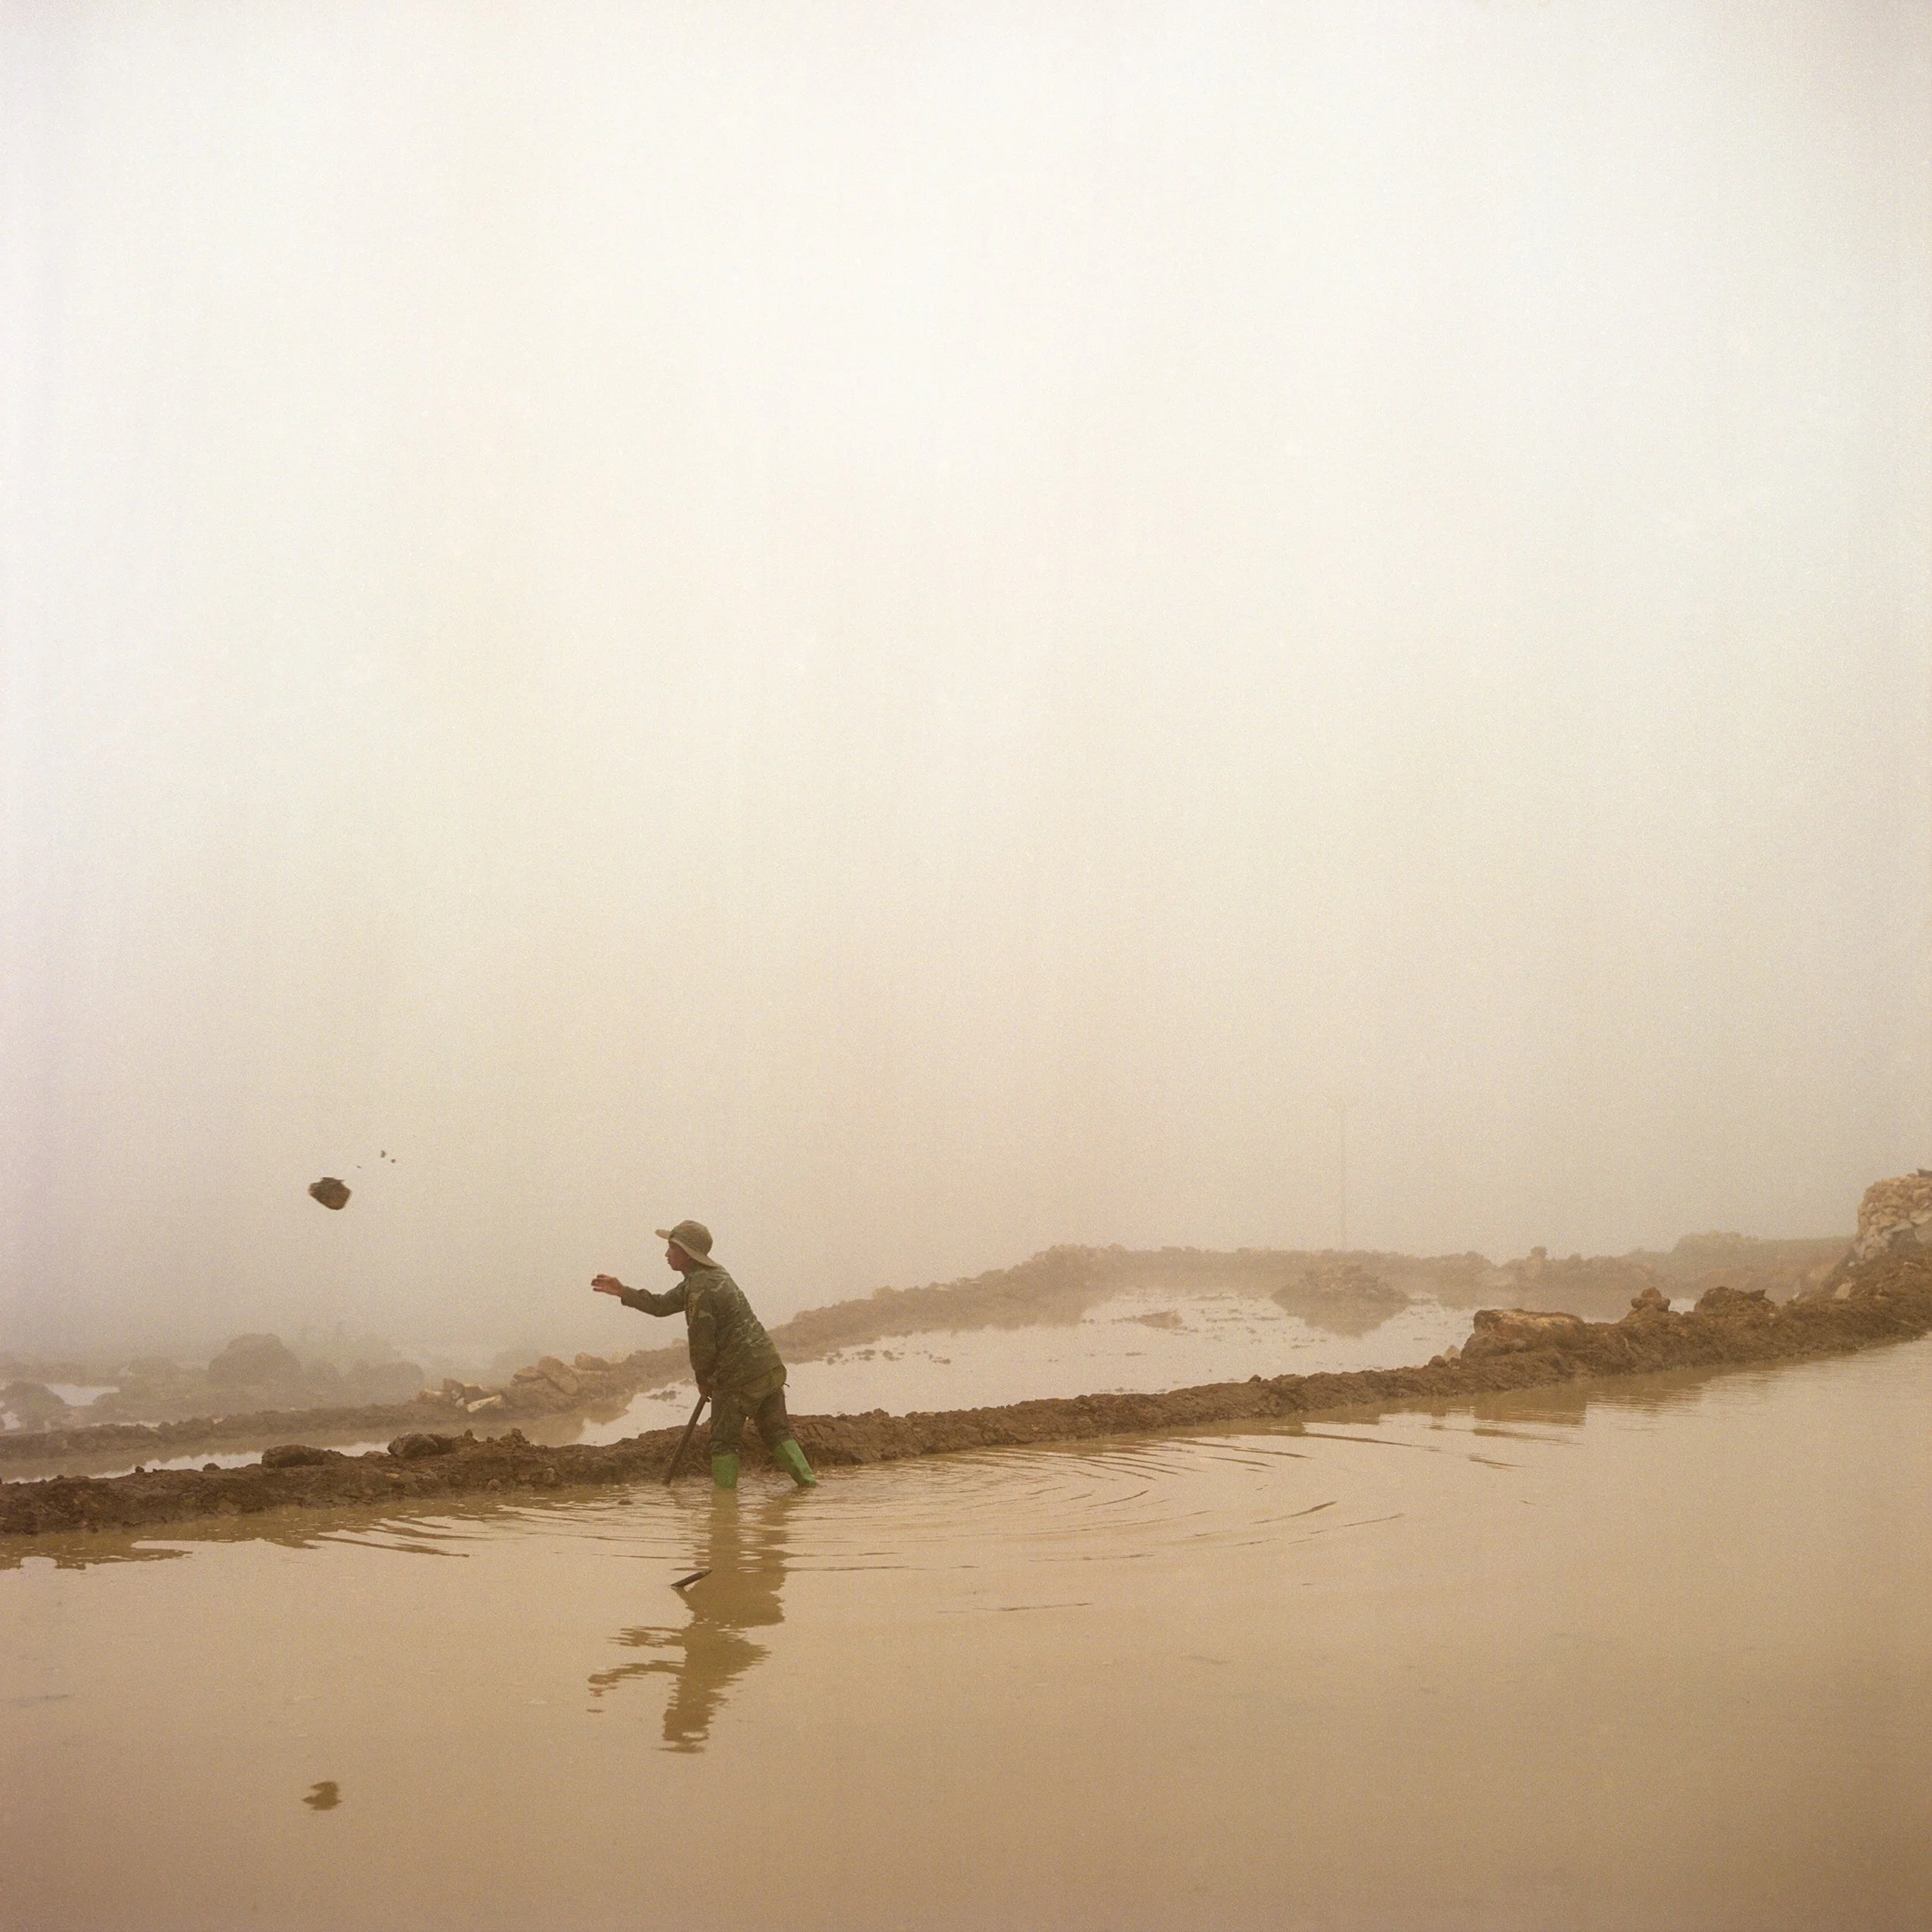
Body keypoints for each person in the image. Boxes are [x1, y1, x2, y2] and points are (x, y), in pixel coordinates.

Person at [593, 1219, 816, 1490]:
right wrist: (622, 1291)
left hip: (738, 1375)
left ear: (686, 1253)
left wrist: (704, 1379)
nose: (666, 1255)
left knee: (723, 1442)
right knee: (777, 1432)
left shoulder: (700, 1288)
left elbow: (702, 1343)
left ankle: (724, 1511)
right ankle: (809, 1486)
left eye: (670, 1249)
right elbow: (662, 1305)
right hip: (767, 1366)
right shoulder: (711, 1276)